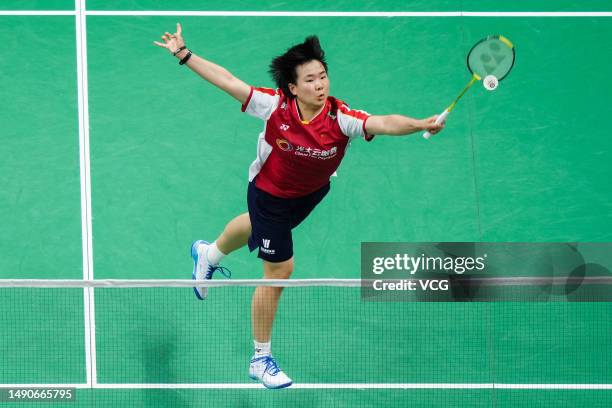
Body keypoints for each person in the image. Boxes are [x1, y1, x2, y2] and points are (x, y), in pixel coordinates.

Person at [154, 24, 444, 390]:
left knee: (253, 227)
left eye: (323, 76)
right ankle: (260, 358)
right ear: (292, 87)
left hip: (311, 193)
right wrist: (185, 54)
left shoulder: (341, 118)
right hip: (269, 194)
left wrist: (421, 124)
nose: (320, 85)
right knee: (280, 269)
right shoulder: (274, 106)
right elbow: (228, 81)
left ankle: (207, 255)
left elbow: (383, 123)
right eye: (310, 80)